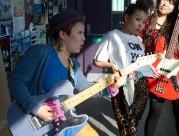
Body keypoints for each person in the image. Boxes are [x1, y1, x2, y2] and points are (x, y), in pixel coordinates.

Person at [8, 8, 124, 136]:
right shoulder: (40, 53)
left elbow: (89, 91)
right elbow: (15, 82)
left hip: (65, 123)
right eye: (80, 32)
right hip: (37, 125)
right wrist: (36, 108)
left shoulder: (73, 66)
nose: (84, 38)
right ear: (63, 34)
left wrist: (112, 86)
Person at [139, 0, 179, 136]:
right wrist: (146, 67)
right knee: (154, 113)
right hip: (156, 71)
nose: (166, 4)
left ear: (175, 8)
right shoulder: (147, 21)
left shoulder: (176, 21)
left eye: (171, 3)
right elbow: (139, 46)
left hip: (178, 72)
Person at [93, 3, 150, 136]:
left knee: (133, 123)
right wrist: (111, 65)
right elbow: (96, 61)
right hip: (120, 84)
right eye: (137, 19)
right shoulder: (112, 36)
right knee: (125, 126)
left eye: (144, 22)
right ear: (126, 17)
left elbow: (142, 63)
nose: (141, 25)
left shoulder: (139, 41)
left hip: (141, 84)